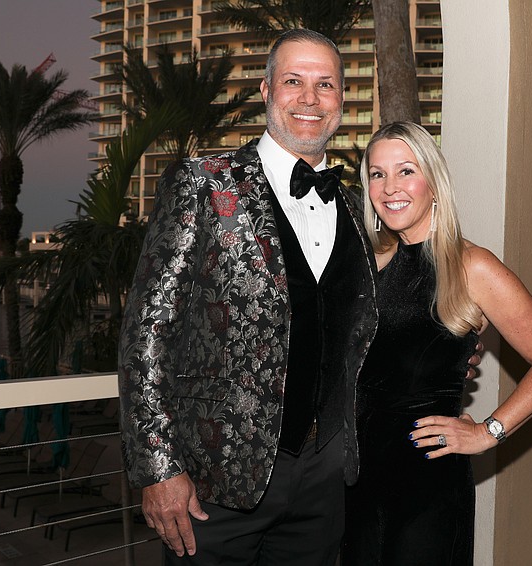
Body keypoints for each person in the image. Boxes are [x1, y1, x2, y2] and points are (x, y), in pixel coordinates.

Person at [118, 29, 379, 565]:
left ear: (341, 102)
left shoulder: (354, 206)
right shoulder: (205, 183)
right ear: (265, 91)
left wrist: (443, 349)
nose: (310, 99)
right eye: (293, 82)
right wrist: (158, 467)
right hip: (212, 487)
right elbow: (147, 331)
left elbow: (359, 329)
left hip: (324, 480)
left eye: (325, 84)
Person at [341, 121, 532, 565]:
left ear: (433, 182)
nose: (390, 187)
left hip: (426, 481)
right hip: (356, 481)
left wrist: (489, 432)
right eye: (378, 173)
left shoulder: (471, 266)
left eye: (406, 171)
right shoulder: (364, 265)